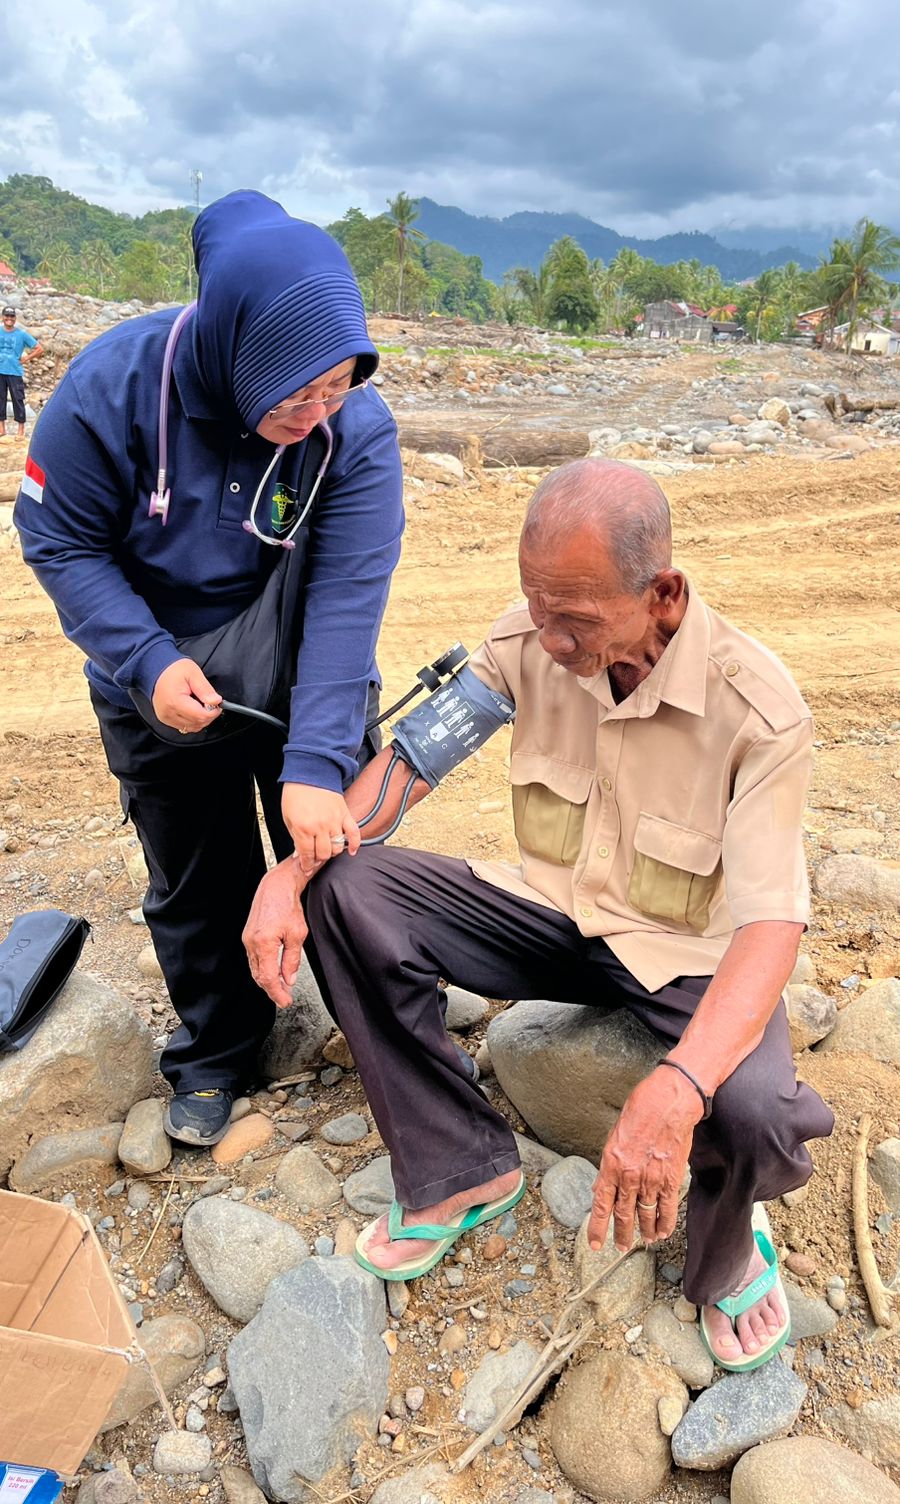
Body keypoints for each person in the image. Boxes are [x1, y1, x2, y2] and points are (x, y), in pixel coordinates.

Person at [244, 456, 834, 1374]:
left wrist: (678, 1087)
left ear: (663, 595)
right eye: (538, 606)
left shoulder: (759, 710)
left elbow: (770, 930)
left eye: (578, 619)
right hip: (552, 918)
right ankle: (460, 1165)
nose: (550, 639)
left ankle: (724, 1252)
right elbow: (411, 766)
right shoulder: (526, 641)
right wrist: (289, 876)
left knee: (755, 1105)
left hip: (684, 954)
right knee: (344, 890)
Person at [14, 190, 404, 1147]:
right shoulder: (109, 393)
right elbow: (54, 537)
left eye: (338, 385)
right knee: (195, 872)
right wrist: (143, 660)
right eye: (296, 393)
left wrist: (315, 764)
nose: (318, 414)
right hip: (157, 664)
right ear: (236, 355)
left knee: (340, 854)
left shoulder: (355, 432)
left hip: (297, 648)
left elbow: (349, 598)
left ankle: (383, 1032)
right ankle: (222, 1047)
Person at [0, 305, 42, 436]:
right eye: (7, 316)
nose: (9, 318)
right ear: (2, 317)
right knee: (0, 400)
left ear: (15, 318)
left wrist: (25, 359)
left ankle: (20, 430)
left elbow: (39, 348)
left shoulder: (21, 334)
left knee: (17, 399)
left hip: (14, 371)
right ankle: (2, 429)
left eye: (12, 316)